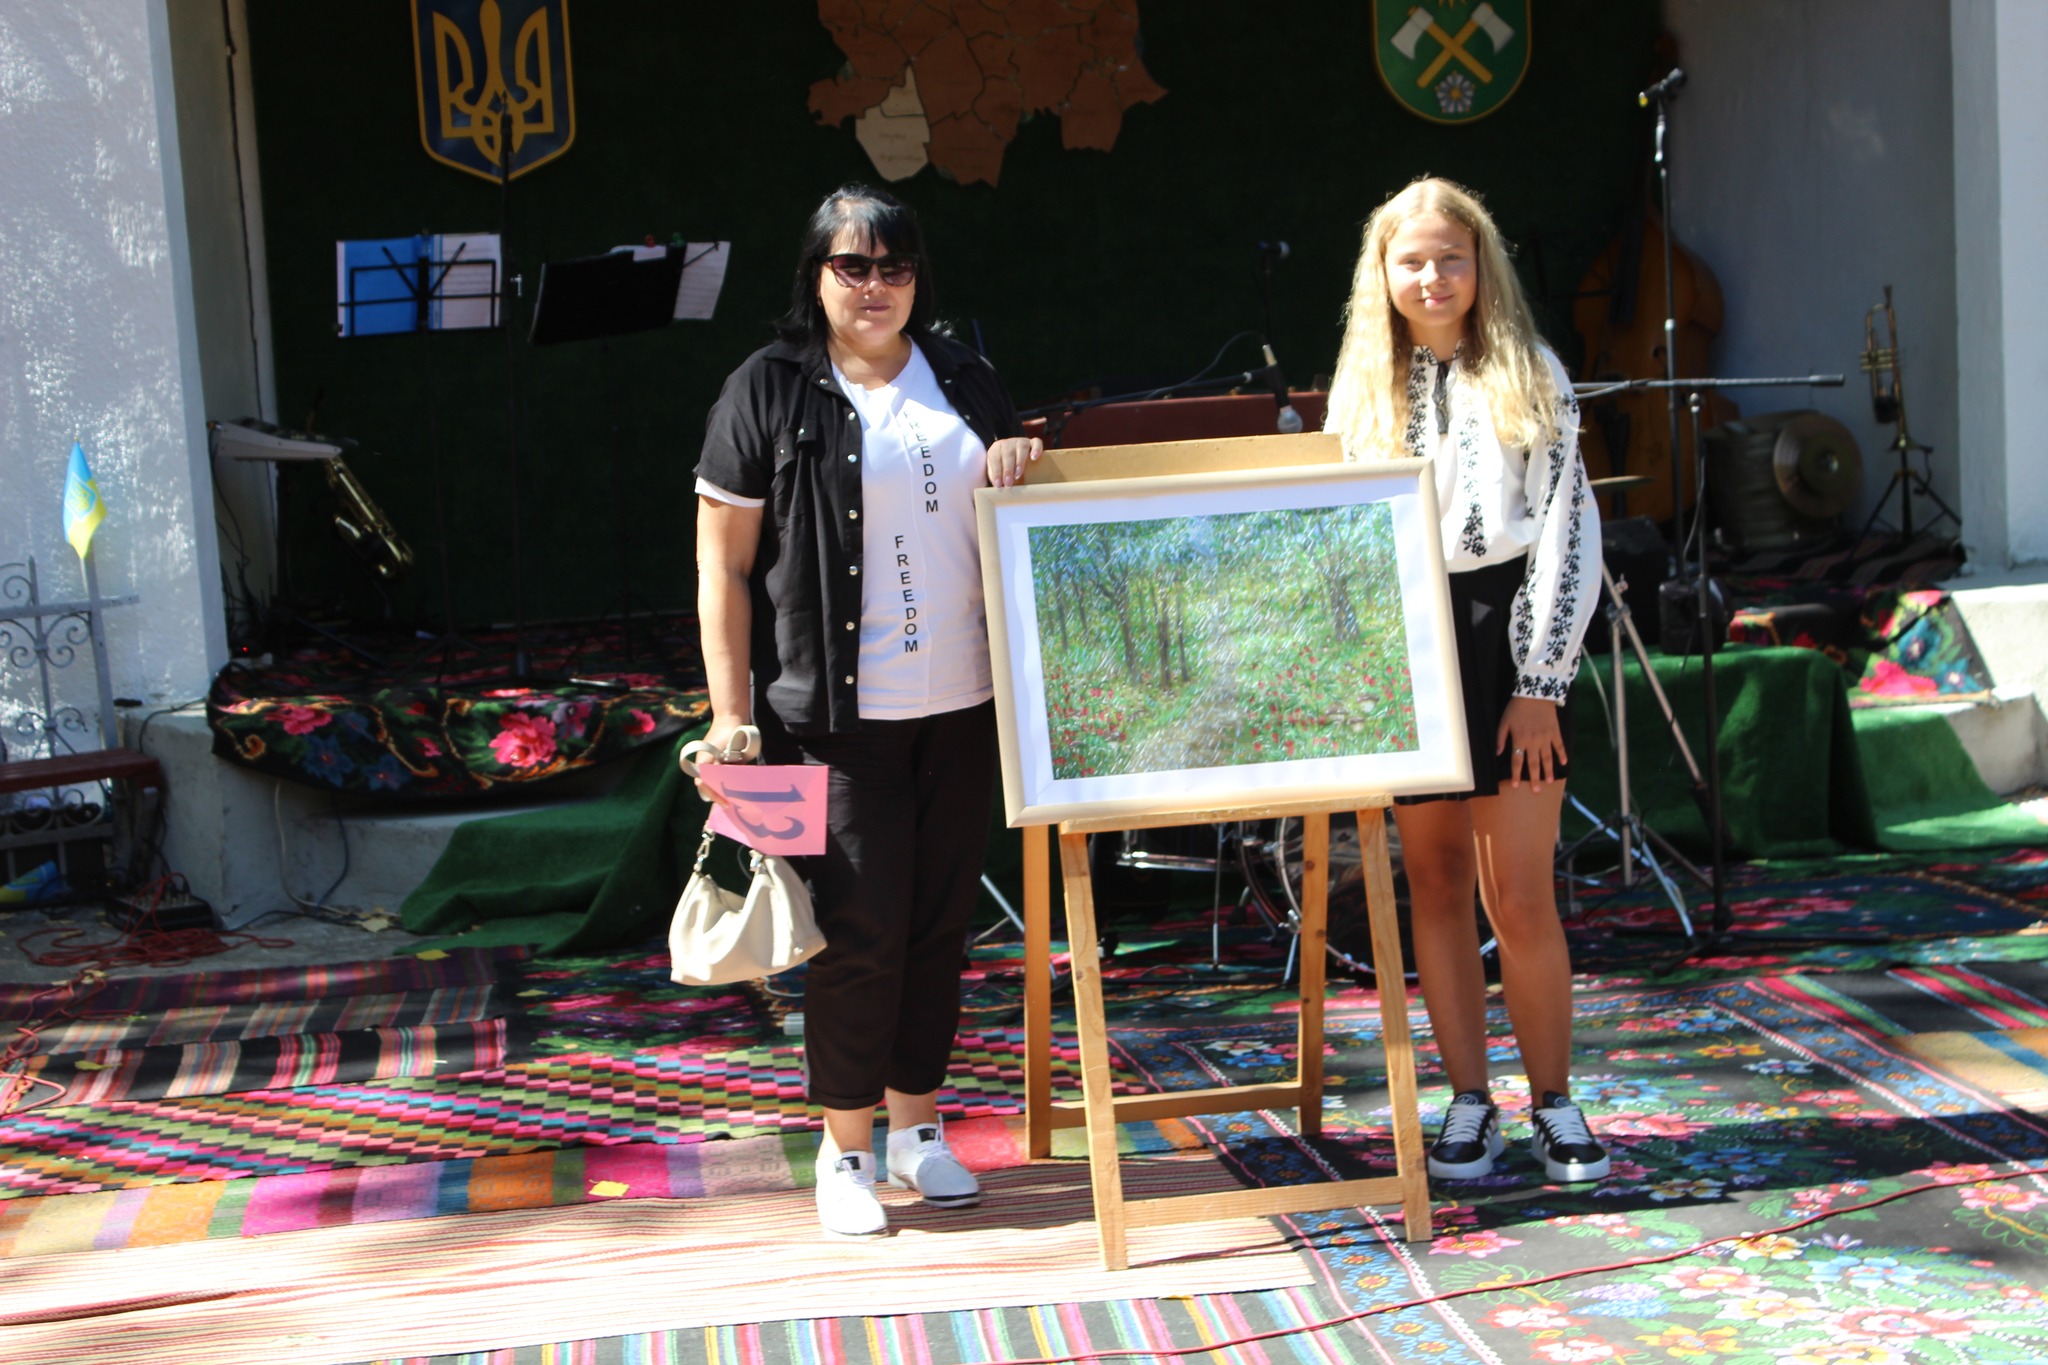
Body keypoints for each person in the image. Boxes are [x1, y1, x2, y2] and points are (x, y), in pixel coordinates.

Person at [691, 184, 1043, 1236]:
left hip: (963, 705)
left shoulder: (964, 374)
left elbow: (1018, 511)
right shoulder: (765, 386)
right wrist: (729, 714)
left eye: (895, 267)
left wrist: (1021, 459)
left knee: (938, 928)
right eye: (853, 266)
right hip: (829, 720)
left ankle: (916, 1132)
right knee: (856, 932)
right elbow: (721, 564)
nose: (875, 285)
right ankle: (843, 1151)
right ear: (816, 276)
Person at [1323, 177, 1609, 1184]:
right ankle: (1468, 1102)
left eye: (1451, 256)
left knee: (1517, 894)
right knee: (1436, 885)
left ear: (1481, 264)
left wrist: (1539, 683)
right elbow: (1340, 538)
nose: (1432, 276)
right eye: (1411, 260)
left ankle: (1555, 1102)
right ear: (1383, 274)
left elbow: (1567, 530)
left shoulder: (1531, 371)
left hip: (1508, 633)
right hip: (1411, 641)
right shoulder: (1359, 389)